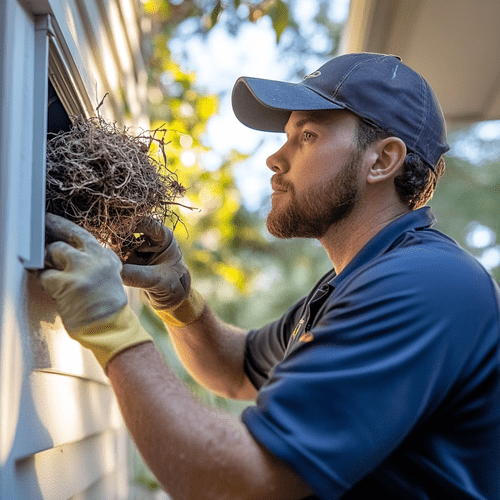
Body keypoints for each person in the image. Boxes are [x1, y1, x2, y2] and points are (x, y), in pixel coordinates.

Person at [39, 53, 500, 500]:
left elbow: (239, 482)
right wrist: (177, 300)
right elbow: (235, 368)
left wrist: (109, 326)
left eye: (307, 136)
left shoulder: (424, 285)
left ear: (382, 161)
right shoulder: (353, 282)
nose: (274, 159)